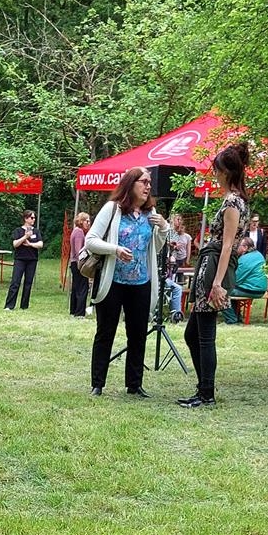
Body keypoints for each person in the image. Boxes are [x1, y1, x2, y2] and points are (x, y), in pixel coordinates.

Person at [84, 166, 169, 398]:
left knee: (138, 334)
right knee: (106, 332)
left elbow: (155, 247)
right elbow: (91, 241)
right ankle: (97, 383)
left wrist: (163, 228)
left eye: (149, 183)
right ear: (130, 184)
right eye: (143, 182)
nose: (148, 187)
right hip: (113, 282)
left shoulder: (150, 214)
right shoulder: (112, 209)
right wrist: (115, 249)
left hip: (140, 283)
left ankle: (134, 384)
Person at [177, 142, 250, 408]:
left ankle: (206, 393)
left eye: (217, 170)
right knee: (191, 335)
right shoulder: (239, 201)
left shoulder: (232, 202)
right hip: (213, 262)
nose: (215, 174)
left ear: (227, 172)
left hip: (215, 265)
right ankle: (203, 388)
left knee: (205, 335)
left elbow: (228, 244)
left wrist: (217, 284)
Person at [224, 237, 268, 324]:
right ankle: (237, 316)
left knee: (222, 292)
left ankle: (231, 319)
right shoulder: (259, 255)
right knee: (232, 292)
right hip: (261, 290)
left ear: (245, 247)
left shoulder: (245, 259)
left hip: (251, 290)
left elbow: (236, 280)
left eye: (238, 246)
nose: (236, 248)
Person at [4, 209, 44, 310]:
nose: (33, 219)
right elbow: (15, 244)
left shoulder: (36, 231)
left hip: (32, 260)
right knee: (15, 282)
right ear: (26, 219)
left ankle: (24, 306)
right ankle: (9, 305)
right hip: (20, 259)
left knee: (28, 283)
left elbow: (40, 244)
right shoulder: (18, 231)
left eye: (34, 218)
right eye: (31, 218)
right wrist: (25, 237)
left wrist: (30, 244)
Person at [166, 213, 193, 323]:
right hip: (166, 266)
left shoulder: (181, 235)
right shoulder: (169, 231)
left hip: (174, 263)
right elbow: (165, 243)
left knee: (178, 284)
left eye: (180, 219)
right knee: (175, 286)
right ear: (172, 220)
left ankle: (175, 313)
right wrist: (172, 247)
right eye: (177, 219)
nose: (180, 222)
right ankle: (173, 311)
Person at [67, 212, 93, 318]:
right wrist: (82, 263)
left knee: (76, 286)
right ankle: (79, 312)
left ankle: (74, 310)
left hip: (74, 263)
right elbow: (79, 251)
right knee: (83, 287)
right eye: (87, 221)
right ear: (81, 221)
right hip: (78, 263)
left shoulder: (77, 231)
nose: (89, 223)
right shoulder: (79, 232)